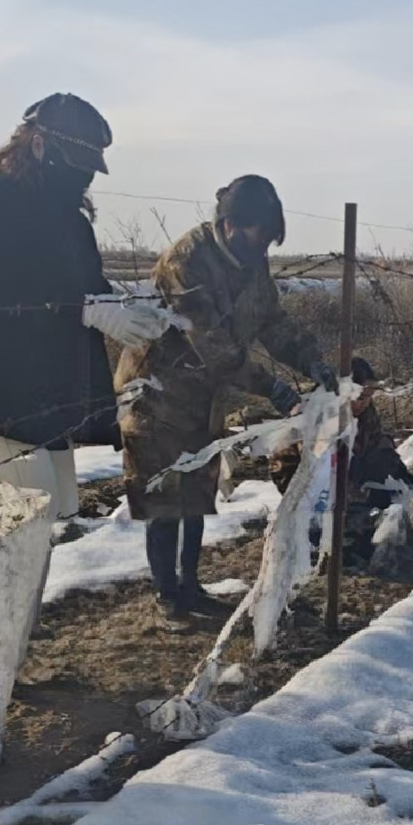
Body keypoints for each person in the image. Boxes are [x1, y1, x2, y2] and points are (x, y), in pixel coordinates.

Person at [0, 93, 172, 657]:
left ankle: (15, 647)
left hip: (45, 392)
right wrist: (83, 307)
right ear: (38, 145)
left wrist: (124, 307)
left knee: (39, 526)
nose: (84, 178)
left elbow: (85, 282)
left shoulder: (66, 216)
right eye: (77, 163)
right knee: (7, 531)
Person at [115, 175, 337, 621]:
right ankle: (168, 597)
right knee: (164, 496)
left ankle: (190, 587)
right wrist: (272, 388)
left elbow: (271, 321)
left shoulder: (251, 260)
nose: (263, 253)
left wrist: (310, 360)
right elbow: (211, 344)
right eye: (259, 240)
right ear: (232, 226)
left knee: (196, 492)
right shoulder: (186, 261)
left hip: (204, 396)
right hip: (158, 394)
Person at [270, 357, 413, 565]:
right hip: (307, 490)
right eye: (360, 396)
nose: (365, 403)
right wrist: (353, 492)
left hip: (346, 480)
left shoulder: (364, 413)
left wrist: (398, 472)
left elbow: (377, 445)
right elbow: (307, 471)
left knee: (387, 499)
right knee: (334, 535)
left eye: (369, 396)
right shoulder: (316, 414)